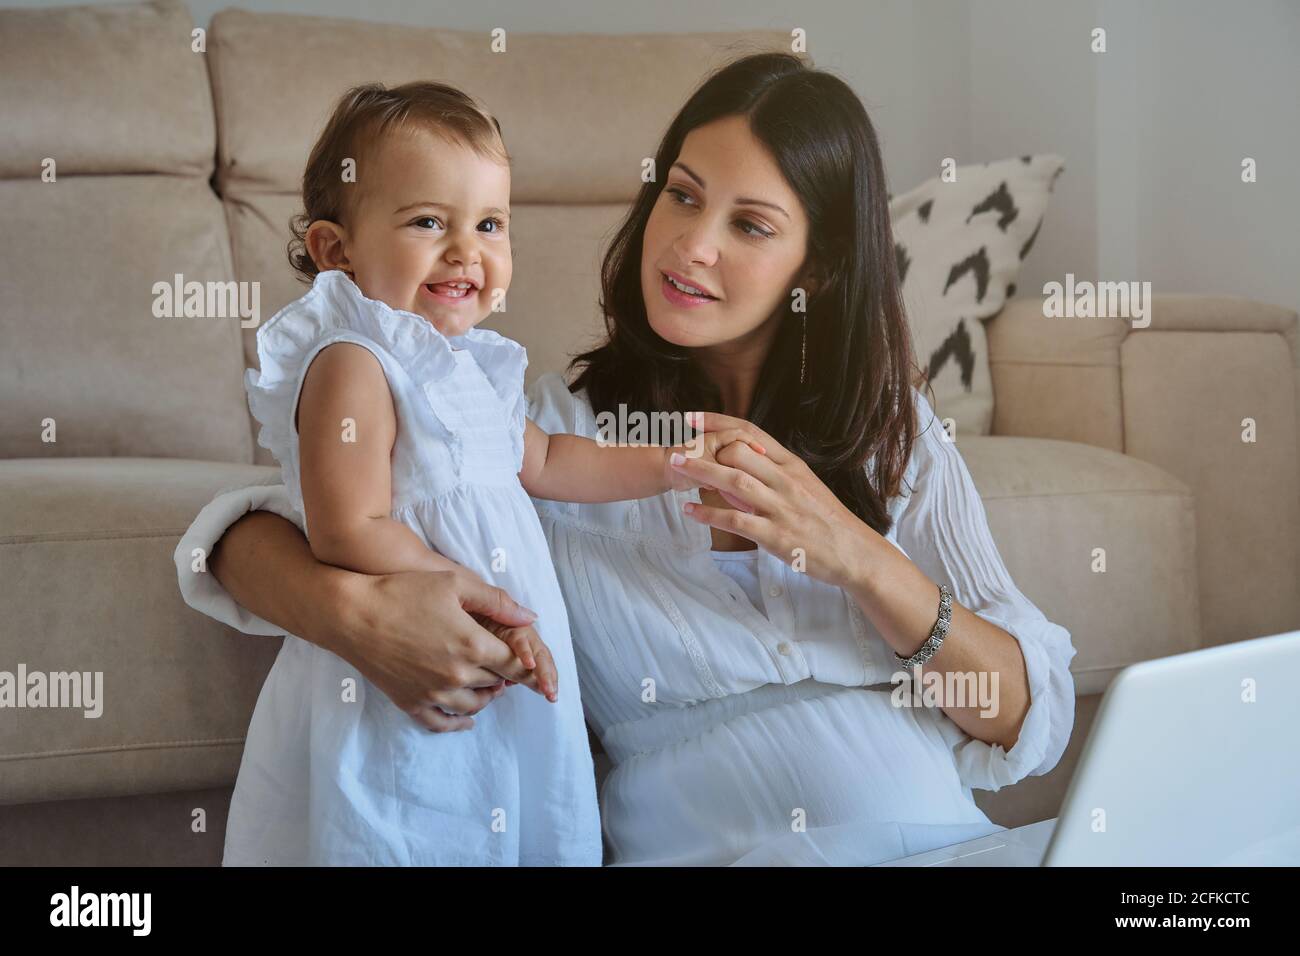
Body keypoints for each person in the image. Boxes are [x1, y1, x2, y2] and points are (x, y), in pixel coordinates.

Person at [177, 53, 1078, 866]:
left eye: (751, 226)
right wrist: (358, 619)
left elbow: (1019, 714)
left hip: (951, 848)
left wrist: (854, 554)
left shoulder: (893, 433)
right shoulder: (538, 431)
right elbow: (247, 537)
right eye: (682, 196)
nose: (691, 244)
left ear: (819, 269)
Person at [201, 80, 759, 866]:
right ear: (337, 249)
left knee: (502, 807)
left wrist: (672, 461)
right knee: (408, 819)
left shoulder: (473, 369)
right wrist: (476, 601)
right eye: (429, 221)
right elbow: (346, 527)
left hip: (494, 672)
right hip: (401, 671)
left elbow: (555, 460)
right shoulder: (354, 364)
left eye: (489, 224)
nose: (467, 250)